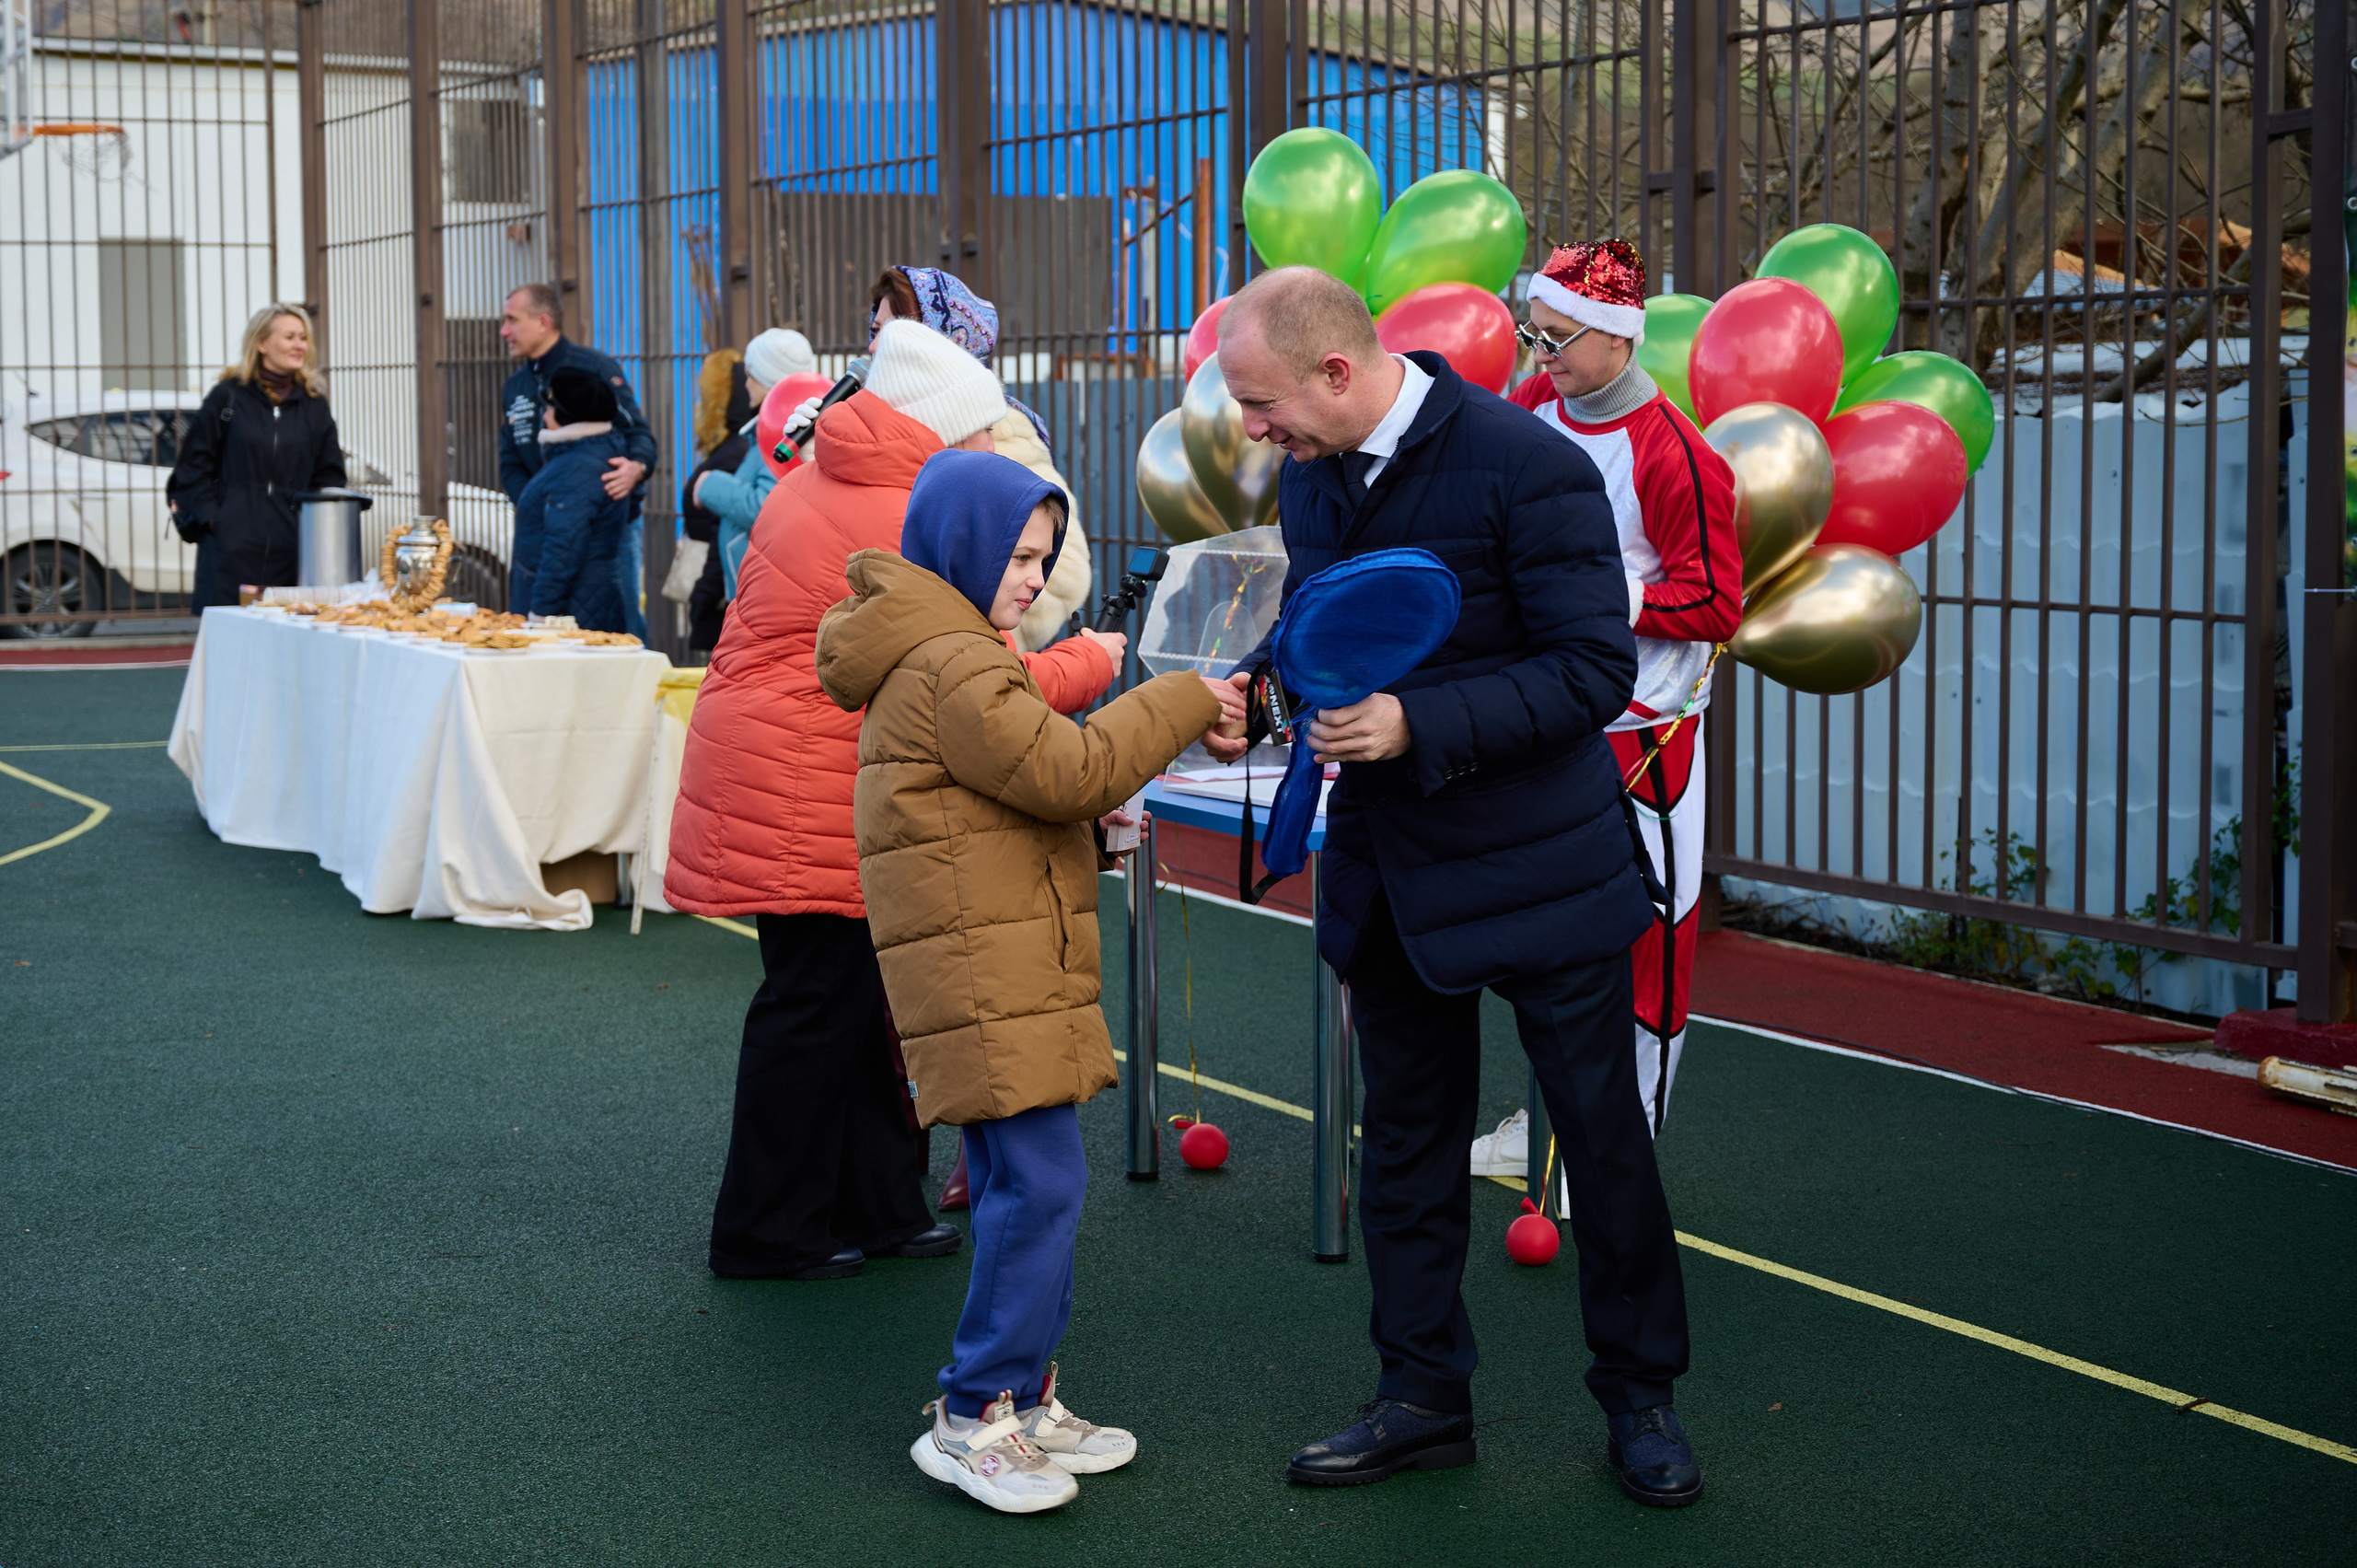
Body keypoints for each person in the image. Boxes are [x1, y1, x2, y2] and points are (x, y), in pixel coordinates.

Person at [1202, 266, 1704, 1507]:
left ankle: (1641, 1397)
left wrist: (1415, 722)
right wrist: (1261, 693)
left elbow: (1594, 670)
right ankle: (1422, 1396)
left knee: (1601, 1137)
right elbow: (1327, 632)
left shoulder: (1528, 461)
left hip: (1543, 860)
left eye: (1261, 403)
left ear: (1335, 370)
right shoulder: (1314, 472)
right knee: (1408, 1141)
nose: (1254, 432)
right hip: (1395, 873)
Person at [812, 447, 1237, 1514]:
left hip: (988, 951)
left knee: (1023, 1184)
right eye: (1016, 553)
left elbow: (1004, 806)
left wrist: (1088, 827)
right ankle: (972, 1412)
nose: (1034, 577)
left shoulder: (949, 651)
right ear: (958, 546)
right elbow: (1067, 769)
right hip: (980, 964)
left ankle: (1022, 1392)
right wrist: (1183, 696)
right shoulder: (956, 661)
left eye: (1044, 557)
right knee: (1039, 1185)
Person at [665, 319, 1125, 1285]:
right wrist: (1092, 661)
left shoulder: (845, 477)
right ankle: (765, 1224)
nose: (993, 452)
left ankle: (876, 1199)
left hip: (801, 768)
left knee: (865, 997)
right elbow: (979, 683)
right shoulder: (900, 510)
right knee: (817, 1003)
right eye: (982, 435)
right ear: (941, 430)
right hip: (810, 783)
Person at [1508, 238, 1741, 1135]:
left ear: (1619, 338)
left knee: (1652, 940)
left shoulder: (1674, 452)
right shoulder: (1533, 402)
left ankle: (1625, 1141)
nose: (1543, 355)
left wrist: (1611, 589)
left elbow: (1718, 600)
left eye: (1561, 338)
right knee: (1540, 941)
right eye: (1534, 334)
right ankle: (1549, 1121)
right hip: (1536, 722)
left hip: (1644, 737)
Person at [863, 265, 1090, 653]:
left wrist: (985, 634)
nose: (873, 347)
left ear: (945, 341)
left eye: (895, 329)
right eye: (875, 329)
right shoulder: (874, 429)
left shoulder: (998, 435)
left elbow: (1066, 571)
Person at [497, 283, 657, 632]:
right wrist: (537, 506)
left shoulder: (593, 368)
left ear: (543, 322)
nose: (503, 331)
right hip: (546, 534)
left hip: (606, 531)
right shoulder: (515, 386)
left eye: (512, 320)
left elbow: (637, 432)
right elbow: (510, 461)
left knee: (617, 625)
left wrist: (637, 468)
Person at [166, 303, 346, 609]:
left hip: (293, 554)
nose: (300, 345)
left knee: (287, 648)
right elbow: (192, 468)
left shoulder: (314, 405)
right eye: (290, 336)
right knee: (232, 646)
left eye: (303, 337)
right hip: (230, 552)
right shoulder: (228, 396)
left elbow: (330, 475)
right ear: (262, 343)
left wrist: (308, 527)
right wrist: (217, 520)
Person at [700, 327, 817, 602]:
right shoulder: (788, 423)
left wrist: (710, 485)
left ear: (768, 380)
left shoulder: (786, 430)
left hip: (766, 592)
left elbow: (764, 505)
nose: (745, 384)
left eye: (750, 376)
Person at [514, 368, 633, 630]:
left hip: (571, 613)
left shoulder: (578, 467)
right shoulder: (583, 455)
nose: (544, 415)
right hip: (582, 603)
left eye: (550, 408)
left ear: (567, 415)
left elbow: (564, 548)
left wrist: (541, 614)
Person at [679, 347, 751, 654]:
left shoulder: (735, 452)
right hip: (714, 586)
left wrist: (701, 599)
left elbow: (722, 532)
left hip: (717, 593)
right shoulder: (738, 446)